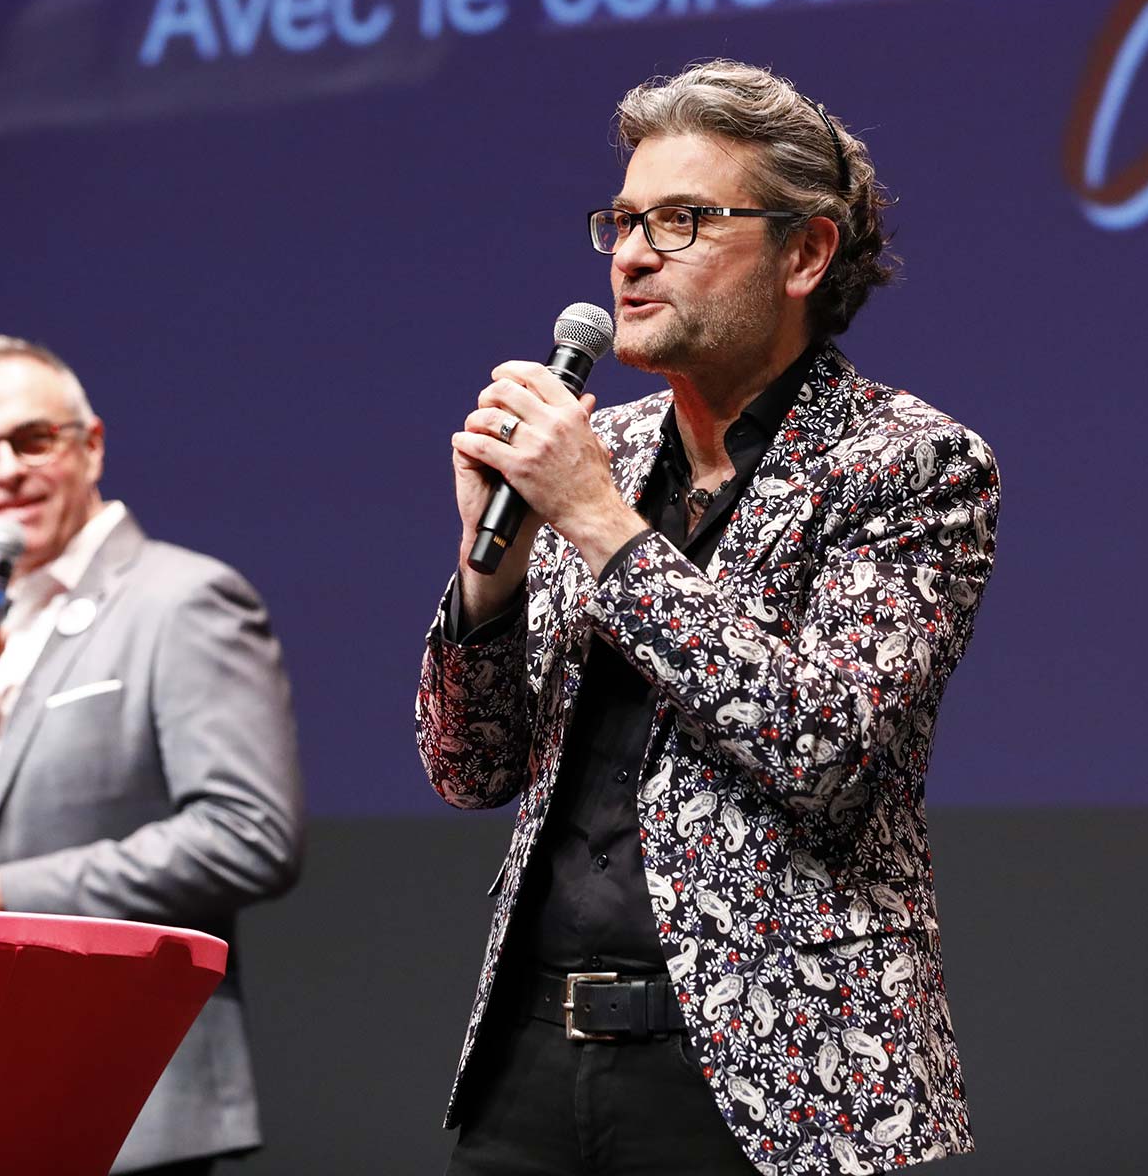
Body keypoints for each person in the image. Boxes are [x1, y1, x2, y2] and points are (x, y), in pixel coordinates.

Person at [417, 60, 1000, 1174]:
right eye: (625, 220)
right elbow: (469, 767)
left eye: (682, 220)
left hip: (779, 1084)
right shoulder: (606, 451)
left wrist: (597, 521)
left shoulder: (910, 465)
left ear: (806, 253)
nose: (632, 256)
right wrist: (491, 574)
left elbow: (823, 744)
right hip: (531, 1062)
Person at [0, 336, 303, 1176]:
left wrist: (3, 896)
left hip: (119, 1090)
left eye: (32, 439)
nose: (4, 471)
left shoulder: (181, 599)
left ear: (92, 446)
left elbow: (249, 834)